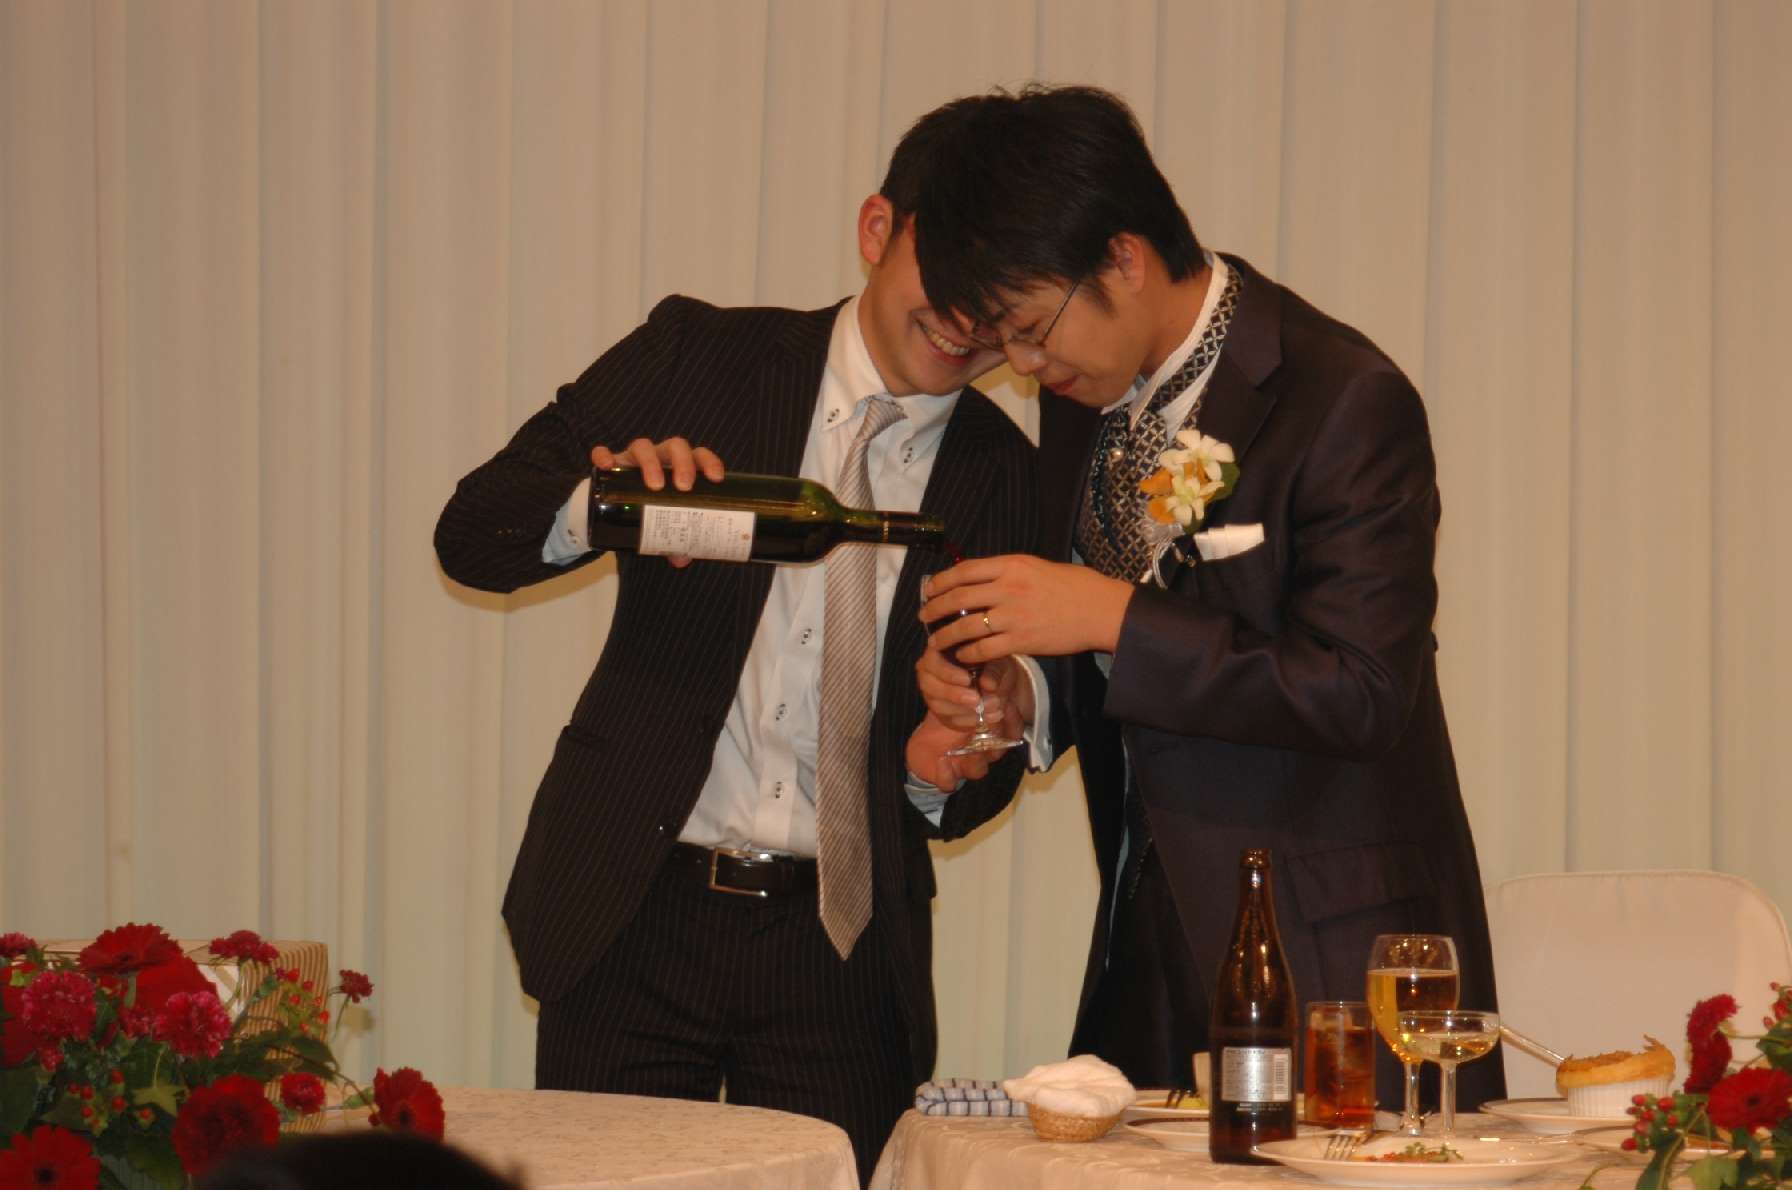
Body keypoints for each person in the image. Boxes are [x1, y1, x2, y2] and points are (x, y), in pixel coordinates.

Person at [432, 104, 1037, 1183]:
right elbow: (474, 532)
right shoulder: (702, 356)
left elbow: (975, 761)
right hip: (632, 906)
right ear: (876, 229)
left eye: (1001, 303)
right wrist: (608, 504)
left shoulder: (1008, 474)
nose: (965, 322)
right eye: (950, 275)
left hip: (843, 949)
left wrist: (944, 763)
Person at [905, 84, 1504, 1110]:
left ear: (1123, 258)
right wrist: (1023, 695)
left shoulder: (1341, 397)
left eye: (1032, 329)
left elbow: (1361, 689)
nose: (1026, 367)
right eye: (1005, 342)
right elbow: (1118, 666)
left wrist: (1106, 615)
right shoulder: (1082, 403)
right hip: (1150, 949)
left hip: (1331, 959)